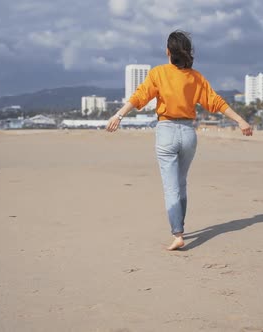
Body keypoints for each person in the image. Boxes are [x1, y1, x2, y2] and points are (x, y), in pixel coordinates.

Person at [106, 30, 252, 250]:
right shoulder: (196, 77)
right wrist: (241, 120)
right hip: (188, 134)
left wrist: (118, 115)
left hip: (166, 132)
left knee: (171, 187)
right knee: (181, 183)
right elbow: (216, 102)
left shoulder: (158, 73)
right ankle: (180, 227)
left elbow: (139, 97)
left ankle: (178, 234)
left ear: (168, 51)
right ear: (187, 53)